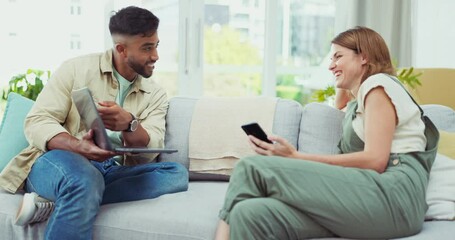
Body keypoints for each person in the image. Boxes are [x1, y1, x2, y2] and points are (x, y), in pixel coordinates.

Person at [214, 26, 439, 239]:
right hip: (372, 201)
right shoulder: (359, 103)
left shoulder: (378, 86)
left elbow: (376, 159)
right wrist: (345, 74)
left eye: (338, 56)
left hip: (395, 196)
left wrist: (296, 157)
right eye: (331, 59)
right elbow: (341, 104)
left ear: (364, 57)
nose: (331, 65)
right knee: (250, 214)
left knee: (250, 167)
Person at [0, 6, 188, 239]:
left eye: (156, 45)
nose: (155, 56)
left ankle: (63, 197)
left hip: (111, 170)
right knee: (84, 179)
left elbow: (148, 151)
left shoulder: (155, 94)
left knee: (176, 173)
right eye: (147, 48)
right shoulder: (76, 69)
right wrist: (79, 146)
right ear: (121, 49)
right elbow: (37, 121)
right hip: (61, 161)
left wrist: (129, 123)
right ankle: (76, 189)